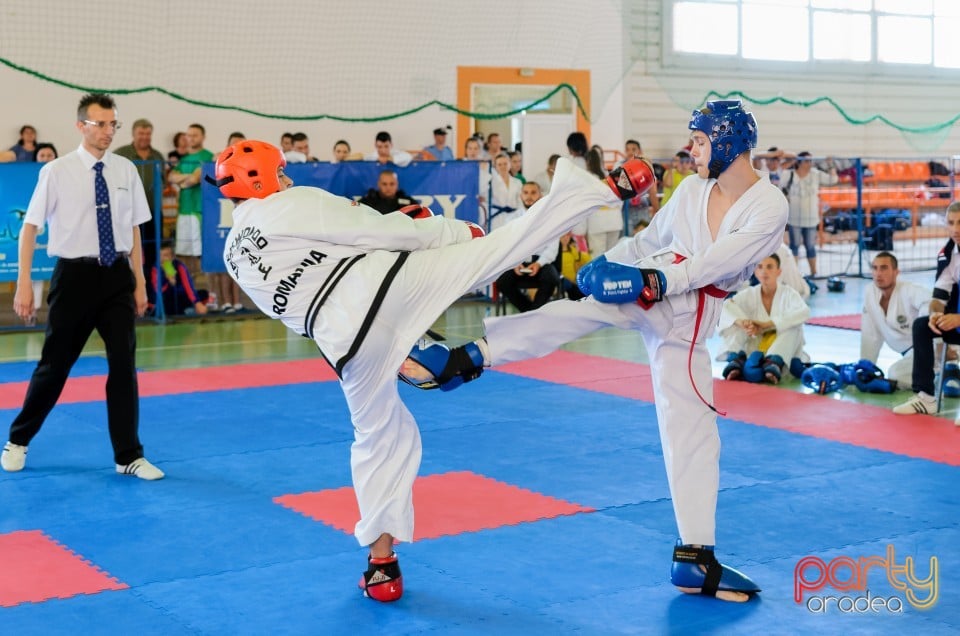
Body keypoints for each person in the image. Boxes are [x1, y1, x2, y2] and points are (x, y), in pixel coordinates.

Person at [209, 138, 653, 602]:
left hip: (342, 342)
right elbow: (373, 230)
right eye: (279, 173)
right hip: (381, 289)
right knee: (495, 251)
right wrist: (453, 233)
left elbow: (296, 308)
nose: (287, 178)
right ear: (258, 179)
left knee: (377, 441)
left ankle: (382, 565)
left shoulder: (235, 258)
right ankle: (602, 190)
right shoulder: (287, 204)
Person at [421, 100, 786, 602]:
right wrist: (604, 266)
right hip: (659, 291)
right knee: (586, 316)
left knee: (686, 431)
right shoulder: (693, 190)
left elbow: (717, 264)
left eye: (700, 141)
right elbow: (649, 239)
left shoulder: (769, 205)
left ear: (727, 141)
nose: (692, 151)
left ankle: (471, 355)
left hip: (688, 310)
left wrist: (652, 280)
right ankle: (695, 556)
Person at [0, 93, 163, 480]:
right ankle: (17, 440)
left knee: (124, 367)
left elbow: (136, 231)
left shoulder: (126, 170)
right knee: (54, 367)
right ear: (81, 126)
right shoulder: (56, 171)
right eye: (101, 124)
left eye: (113, 125)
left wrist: (139, 282)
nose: (108, 132)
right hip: (73, 277)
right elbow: (30, 228)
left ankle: (128, 455)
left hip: (117, 278)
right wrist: (24, 283)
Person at [893, 201, 960, 414]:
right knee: (922, 326)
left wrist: (958, 319)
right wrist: (935, 314)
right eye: (951, 223)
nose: (956, 229)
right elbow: (939, 295)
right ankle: (926, 397)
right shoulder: (948, 254)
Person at [718, 252, 809, 383]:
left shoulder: (789, 294)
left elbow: (803, 312)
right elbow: (726, 307)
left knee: (794, 327)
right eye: (760, 267)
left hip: (781, 347)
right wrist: (743, 323)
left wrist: (768, 324)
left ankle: (774, 363)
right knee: (734, 321)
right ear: (755, 272)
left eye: (769, 267)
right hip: (754, 347)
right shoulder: (749, 294)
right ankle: (736, 360)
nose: (764, 271)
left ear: (779, 271)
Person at [861, 251, 927, 389]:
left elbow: (931, 302)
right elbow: (870, 334)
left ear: (896, 272)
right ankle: (939, 375)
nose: (878, 273)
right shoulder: (870, 293)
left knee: (895, 375)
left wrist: (927, 333)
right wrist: (866, 366)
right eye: (875, 268)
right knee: (896, 374)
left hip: (929, 347)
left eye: (884, 268)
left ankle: (943, 375)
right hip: (910, 354)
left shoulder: (909, 290)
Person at [494, 181, 560, 312]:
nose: (529, 196)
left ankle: (532, 314)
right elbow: (506, 245)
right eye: (526, 193)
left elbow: (553, 248)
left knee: (551, 278)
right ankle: (530, 313)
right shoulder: (511, 219)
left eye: (533, 192)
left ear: (540, 195)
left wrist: (539, 264)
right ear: (521, 196)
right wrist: (514, 263)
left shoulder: (550, 219)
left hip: (541, 262)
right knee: (502, 281)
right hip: (517, 262)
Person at [114, 118, 167, 271]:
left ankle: (150, 287)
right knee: (129, 249)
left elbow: (163, 181)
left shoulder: (158, 156)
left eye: (148, 133)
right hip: (128, 213)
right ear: (133, 134)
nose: (144, 137)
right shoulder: (121, 154)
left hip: (154, 212)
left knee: (152, 250)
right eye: (141, 133)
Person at [781, 151, 839, 277]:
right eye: (806, 160)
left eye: (810, 160)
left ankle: (814, 272)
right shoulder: (788, 174)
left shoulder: (815, 174)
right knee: (794, 246)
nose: (810, 163)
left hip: (811, 219)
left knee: (810, 246)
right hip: (794, 218)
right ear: (799, 162)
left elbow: (833, 179)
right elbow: (778, 180)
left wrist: (830, 165)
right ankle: (794, 274)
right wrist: (790, 161)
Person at [167, 123, 214, 274]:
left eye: (195, 135)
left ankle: (205, 290)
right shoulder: (184, 158)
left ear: (203, 137)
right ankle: (188, 288)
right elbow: (171, 177)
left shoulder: (208, 157)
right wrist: (188, 178)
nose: (191, 138)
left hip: (199, 210)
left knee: (200, 252)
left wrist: (184, 181)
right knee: (184, 252)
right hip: (183, 210)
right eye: (189, 135)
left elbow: (195, 180)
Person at [147, 241, 210, 316]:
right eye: (160, 255)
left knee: (203, 293)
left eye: (166, 255)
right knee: (168, 299)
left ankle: (191, 308)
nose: (163, 259)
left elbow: (188, 286)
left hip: (180, 296)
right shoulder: (156, 269)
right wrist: (168, 282)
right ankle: (186, 311)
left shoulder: (179, 266)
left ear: (173, 257)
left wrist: (196, 302)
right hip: (163, 299)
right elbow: (157, 290)